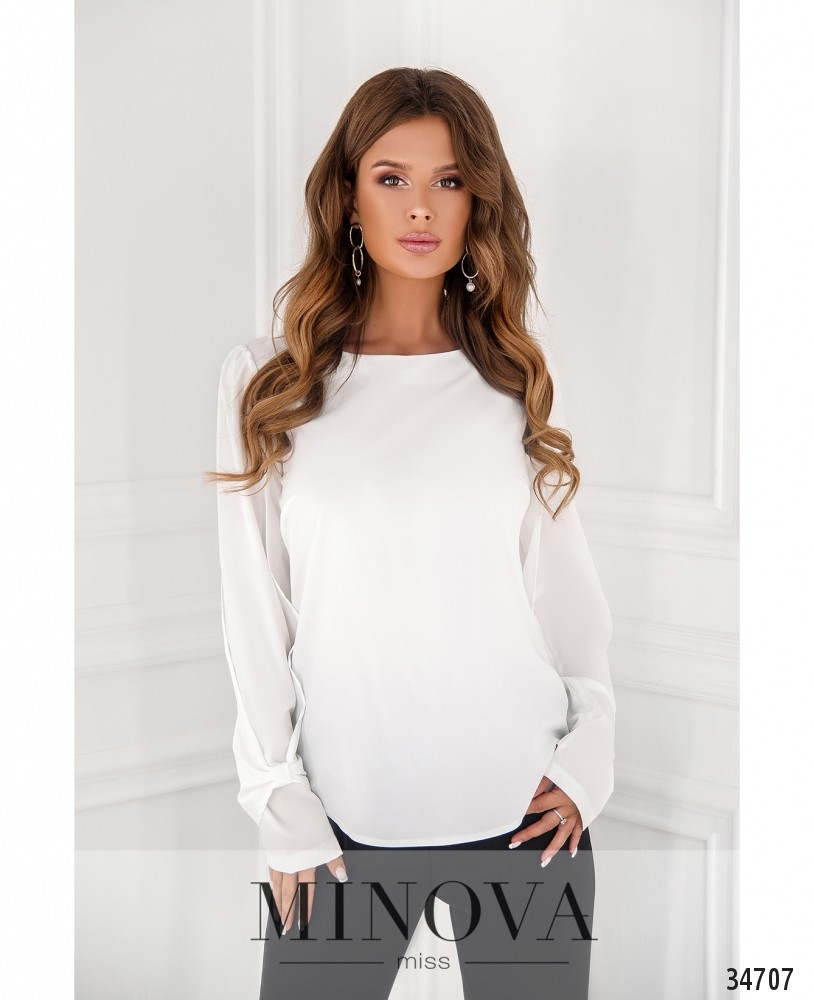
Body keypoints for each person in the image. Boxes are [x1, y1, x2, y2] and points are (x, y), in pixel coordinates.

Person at [208, 67, 616, 1000]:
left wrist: (587, 758)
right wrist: (281, 801)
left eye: (449, 179)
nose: (421, 206)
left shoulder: (514, 379)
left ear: (479, 202)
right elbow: (253, 616)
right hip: (337, 826)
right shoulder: (270, 382)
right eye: (391, 178)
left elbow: (568, 606)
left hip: (526, 814)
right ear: (349, 199)